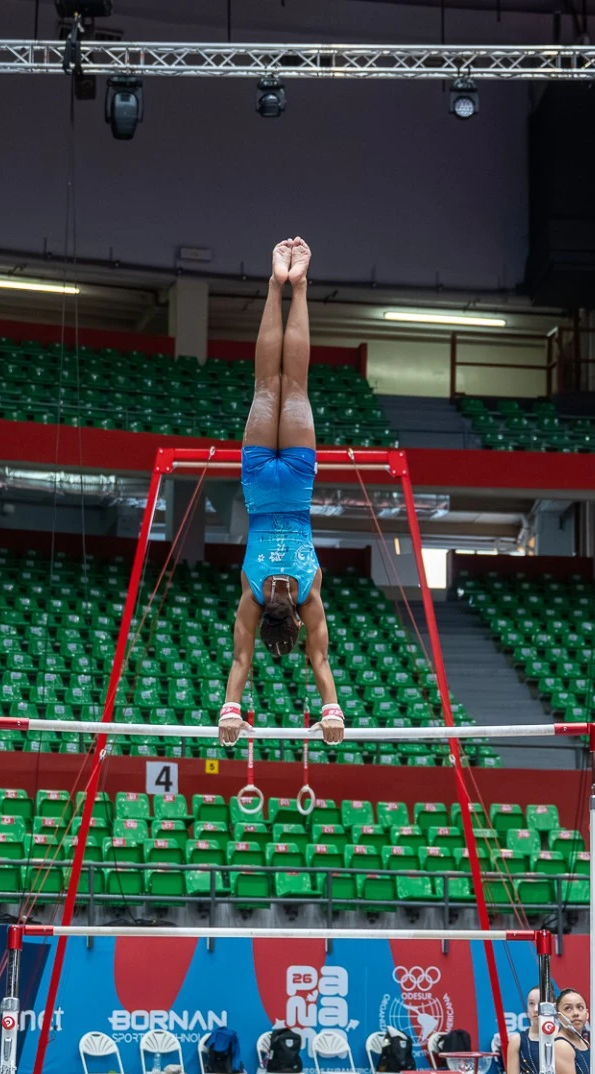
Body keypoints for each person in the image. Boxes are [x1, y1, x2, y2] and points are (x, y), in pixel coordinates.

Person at [217, 237, 345, 750]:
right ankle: (278, 283)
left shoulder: (303, 597)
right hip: (263, 489)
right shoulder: (256, 596)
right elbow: (243, 661)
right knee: (269, 387)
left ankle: (295, 284)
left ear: (292, 620)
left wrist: (333, 711)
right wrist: (229, 711)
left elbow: (316, 660)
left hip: (293, 484)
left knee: (290, 387)